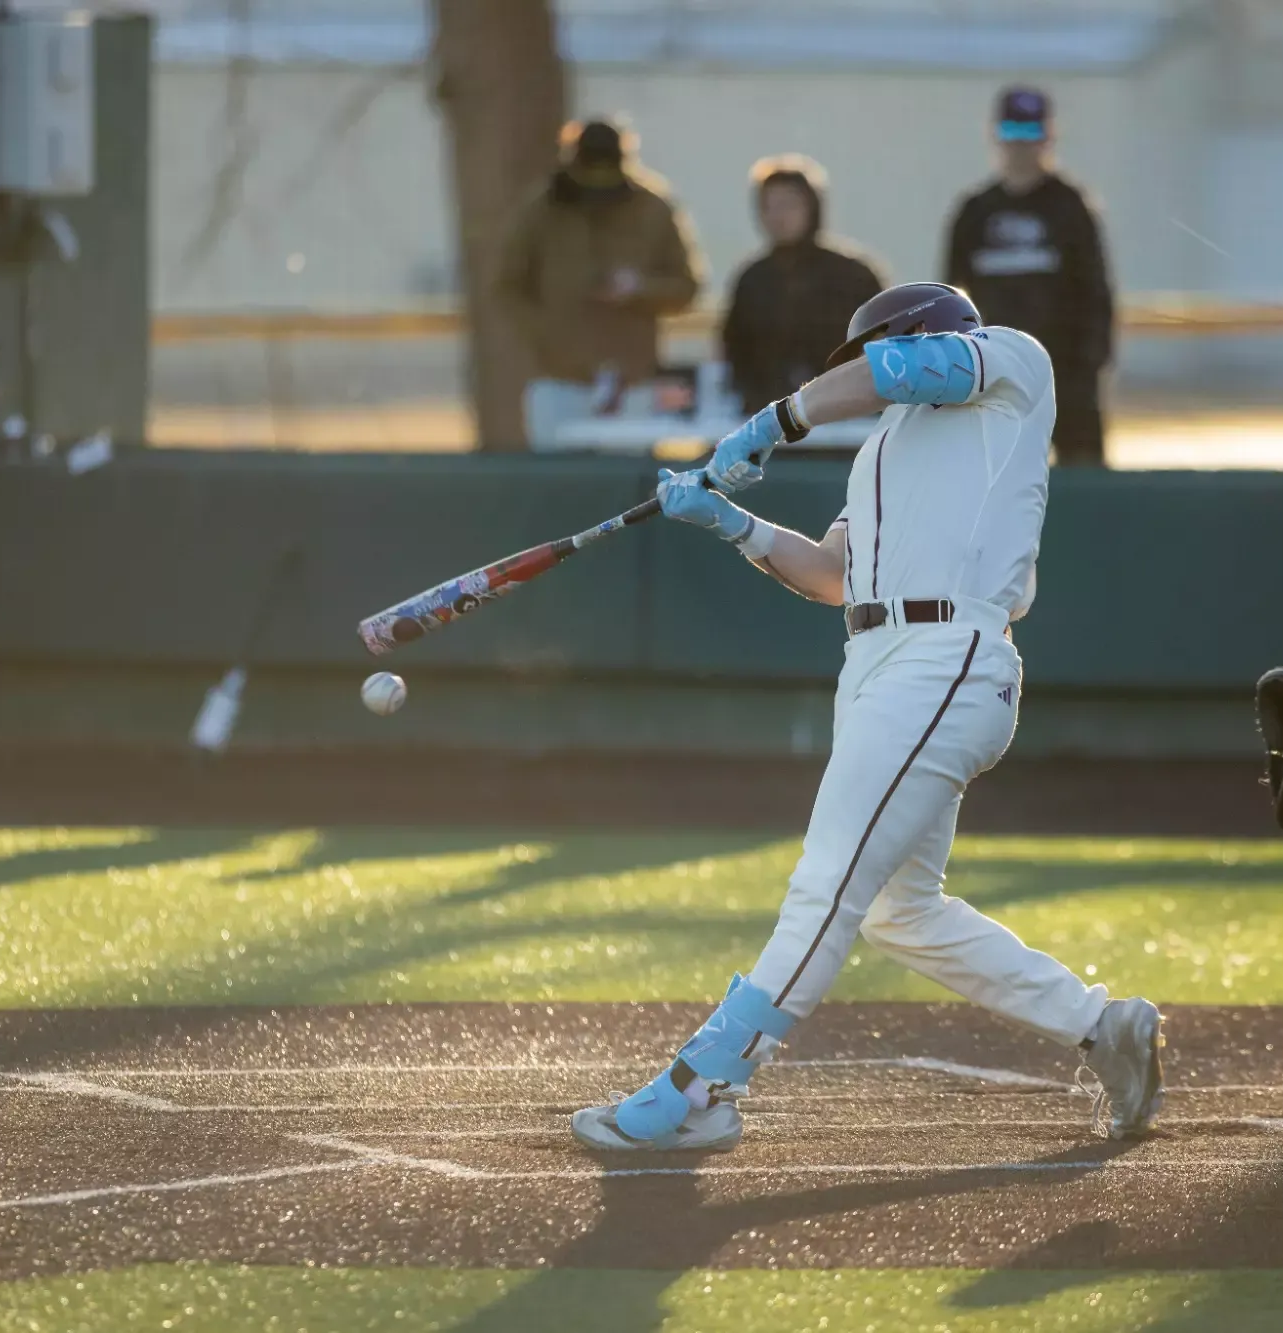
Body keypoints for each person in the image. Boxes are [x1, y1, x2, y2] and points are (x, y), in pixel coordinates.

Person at [570, 281, 1165, 1153]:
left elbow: (886, 375)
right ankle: (1100, 1023)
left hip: (948, 655)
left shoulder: (1011, 363)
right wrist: (730, 520)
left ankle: (702, 1086)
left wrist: (768, 425)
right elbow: (832, 574)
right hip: (879, 664)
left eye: (871, 360)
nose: (864, 381)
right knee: (898, 907)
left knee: (829, 880)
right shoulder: (884, 449)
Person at [494, 118, 706, 448]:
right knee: (560, 485)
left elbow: (687, 288)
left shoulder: (652, 208)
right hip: (559, 379)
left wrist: (640, 288)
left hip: (632, 382)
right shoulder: (542, 211)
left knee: (627, 487)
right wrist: (544, 335)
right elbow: (507, 286)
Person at [942, 87, 1114, 467]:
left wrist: (1089, 365)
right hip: (994, 378)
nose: (1021, 145)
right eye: (1012, 132)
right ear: (995, 135)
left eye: (1031, 133)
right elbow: (951, 300)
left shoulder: (1072, 208)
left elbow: (1096, 293)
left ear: (1050, 135)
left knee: (1080, 479)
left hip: (1065, 377)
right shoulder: (975, 212)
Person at [720, 154, 886, 416]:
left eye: (788, 204)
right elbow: (734, 353)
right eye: (768, 206)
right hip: (771, 421)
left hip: (847, 420)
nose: (778, 216)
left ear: (813, 207)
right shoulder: (752, 279)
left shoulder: (854, 275)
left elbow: (882, 350)